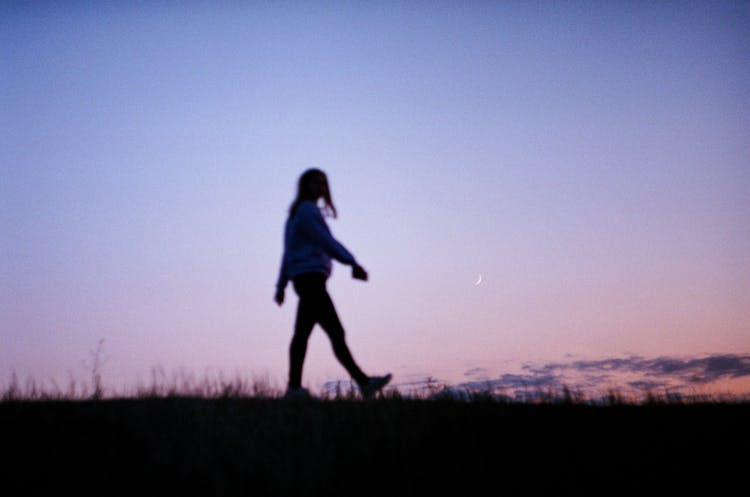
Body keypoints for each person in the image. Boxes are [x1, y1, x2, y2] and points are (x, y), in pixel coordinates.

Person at [275, 168, 392, 399]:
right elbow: (325, 241)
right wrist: (352, 262)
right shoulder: (307, 211)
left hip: (307, 279)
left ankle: (294, 388)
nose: (319, 187)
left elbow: (287, 253)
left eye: (322, 183)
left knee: (303, 334)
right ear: (304, 186)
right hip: (310, 280)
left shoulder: (296, 214)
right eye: (314, 183)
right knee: (334, 332)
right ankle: (363, 382)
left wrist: (281, 286)